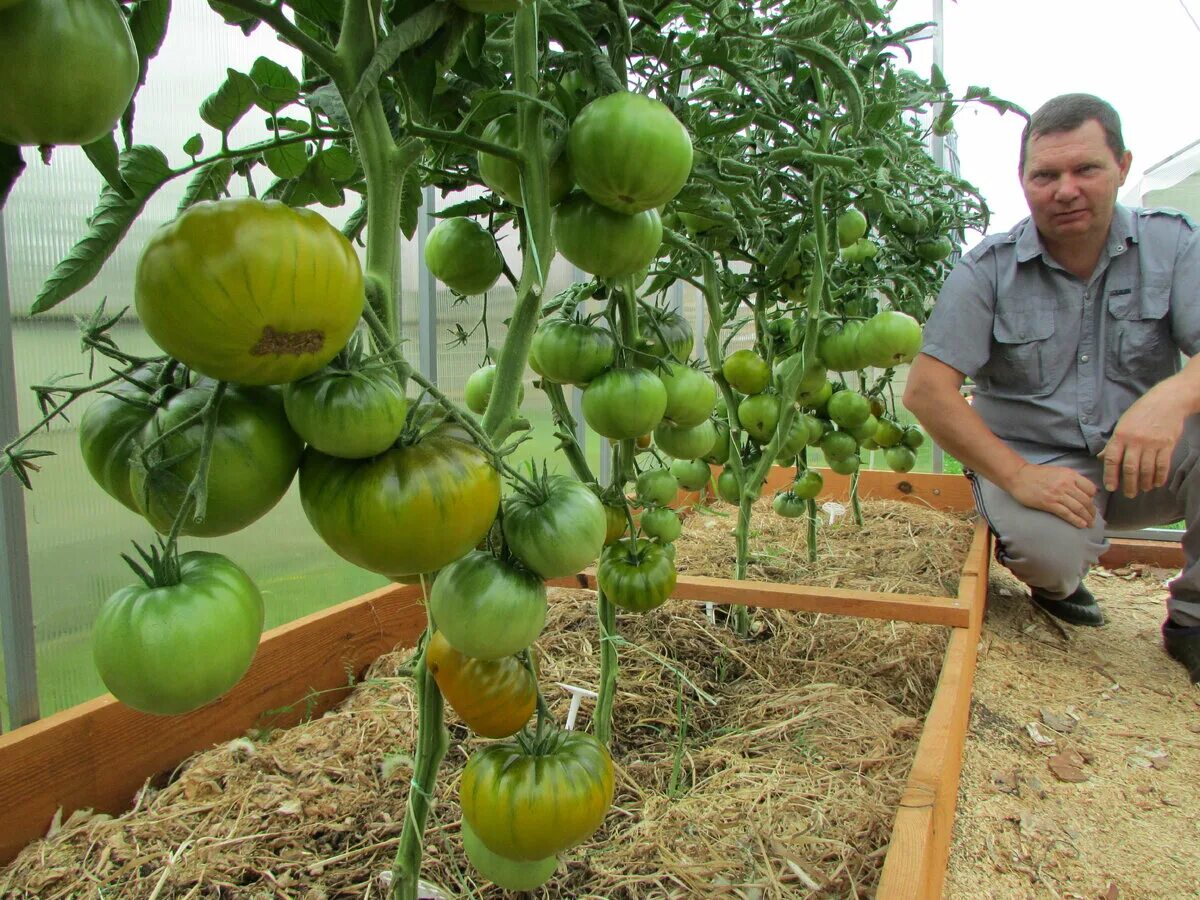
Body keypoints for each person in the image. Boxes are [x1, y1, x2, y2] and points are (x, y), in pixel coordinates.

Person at [904, 93, 1200, 684]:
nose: (1065, 189)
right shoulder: (987, 269)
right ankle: (1056, 584)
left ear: (1122, 165)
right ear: (1023, 181)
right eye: (1046, 174)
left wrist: (1170, 398)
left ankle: (1192, 618)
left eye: (1085, 169)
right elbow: (927, 392)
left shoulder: (1174, 246)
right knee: (1051, 556)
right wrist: (1016, 475)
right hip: (1038, 464)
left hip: (1147, 461)